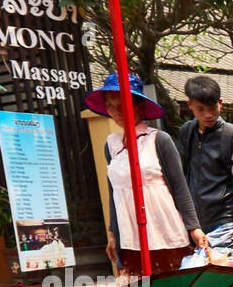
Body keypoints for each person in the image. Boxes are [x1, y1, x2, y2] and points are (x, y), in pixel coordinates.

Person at [83, 73, 206, 275]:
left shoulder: (159, 140)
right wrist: (112, 235)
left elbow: (180, 188)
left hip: (165, 233)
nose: (117, 111)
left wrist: (195, 228)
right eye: (111, 105)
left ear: (139, 106)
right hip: (129, 237)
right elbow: (114, 194)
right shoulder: (112, 145)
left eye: (122, 104)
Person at [179, 75, 233, 255]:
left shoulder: (232, 136)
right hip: (194, 224)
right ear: (190, 105)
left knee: (225, 277)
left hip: (226, 222)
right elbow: (181, 178)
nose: (208, 115)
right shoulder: (186, 132)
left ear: (220, 103)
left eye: (212, 108)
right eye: (201, 109)